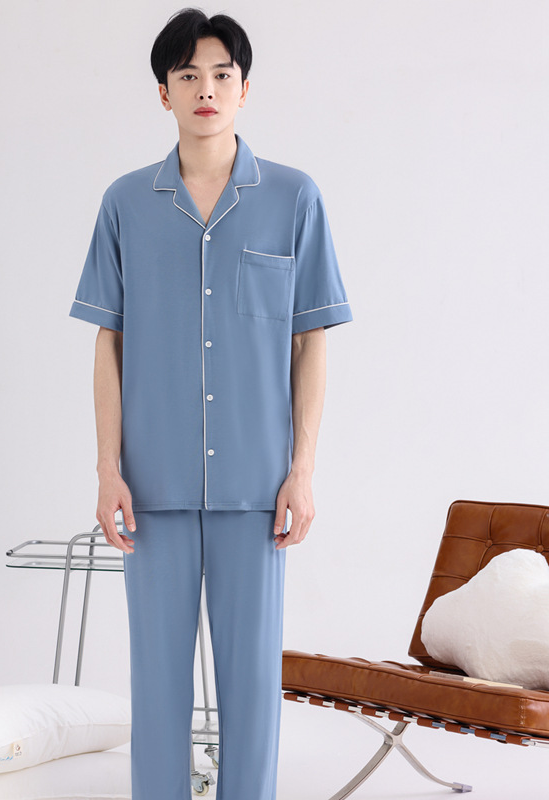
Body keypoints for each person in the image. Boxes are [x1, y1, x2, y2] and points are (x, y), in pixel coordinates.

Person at [68, 8, 352, 799]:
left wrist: (302, 471)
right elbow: (108, 344)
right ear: (163, 93)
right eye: (188, 74)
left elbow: (312, 342)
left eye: (222, 74)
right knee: (155, 684)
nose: (206, 89)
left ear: (245, 89)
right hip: (151, 489)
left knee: (253, 689)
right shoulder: (125, 203)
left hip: (257, 490)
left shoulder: (295, 197)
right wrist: (107, 470)